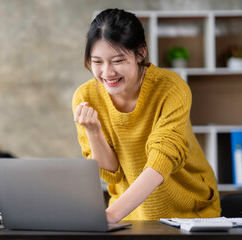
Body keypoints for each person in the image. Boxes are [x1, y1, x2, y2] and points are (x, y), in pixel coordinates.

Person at [72, 8, 221, 223]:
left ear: (140, 53)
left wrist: (109, 216)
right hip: (130, 217)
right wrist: (94, 132)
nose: (107, 72)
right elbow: (111, 174)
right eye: (97, 62)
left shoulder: (171, 88)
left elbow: (162, 159)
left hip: (188, 214)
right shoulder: (85, 97)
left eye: (117, 60)